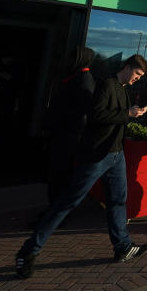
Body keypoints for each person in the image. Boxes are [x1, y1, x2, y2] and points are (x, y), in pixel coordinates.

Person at [15, 55, 147, 279]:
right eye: (136, 74)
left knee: (117, 200)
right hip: (97, 156)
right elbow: (96, 115)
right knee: (69, 201)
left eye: (140, 76)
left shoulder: (123, 89)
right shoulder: (107, 85)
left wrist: (132, 112)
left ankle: (123, 247)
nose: (137, 79)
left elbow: (115, 117)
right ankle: (28, 251)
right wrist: (127, 114)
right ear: (127, 68)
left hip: (116, 155)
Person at [45, 46, 96, 206]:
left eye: (73, 58)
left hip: (69, 137)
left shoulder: (84, 80)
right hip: (62, 134)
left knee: (61, 176)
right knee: (57, 175)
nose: (69, 61)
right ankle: (53, 209)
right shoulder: (74, 77)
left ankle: (57, 214)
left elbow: (82, 111)